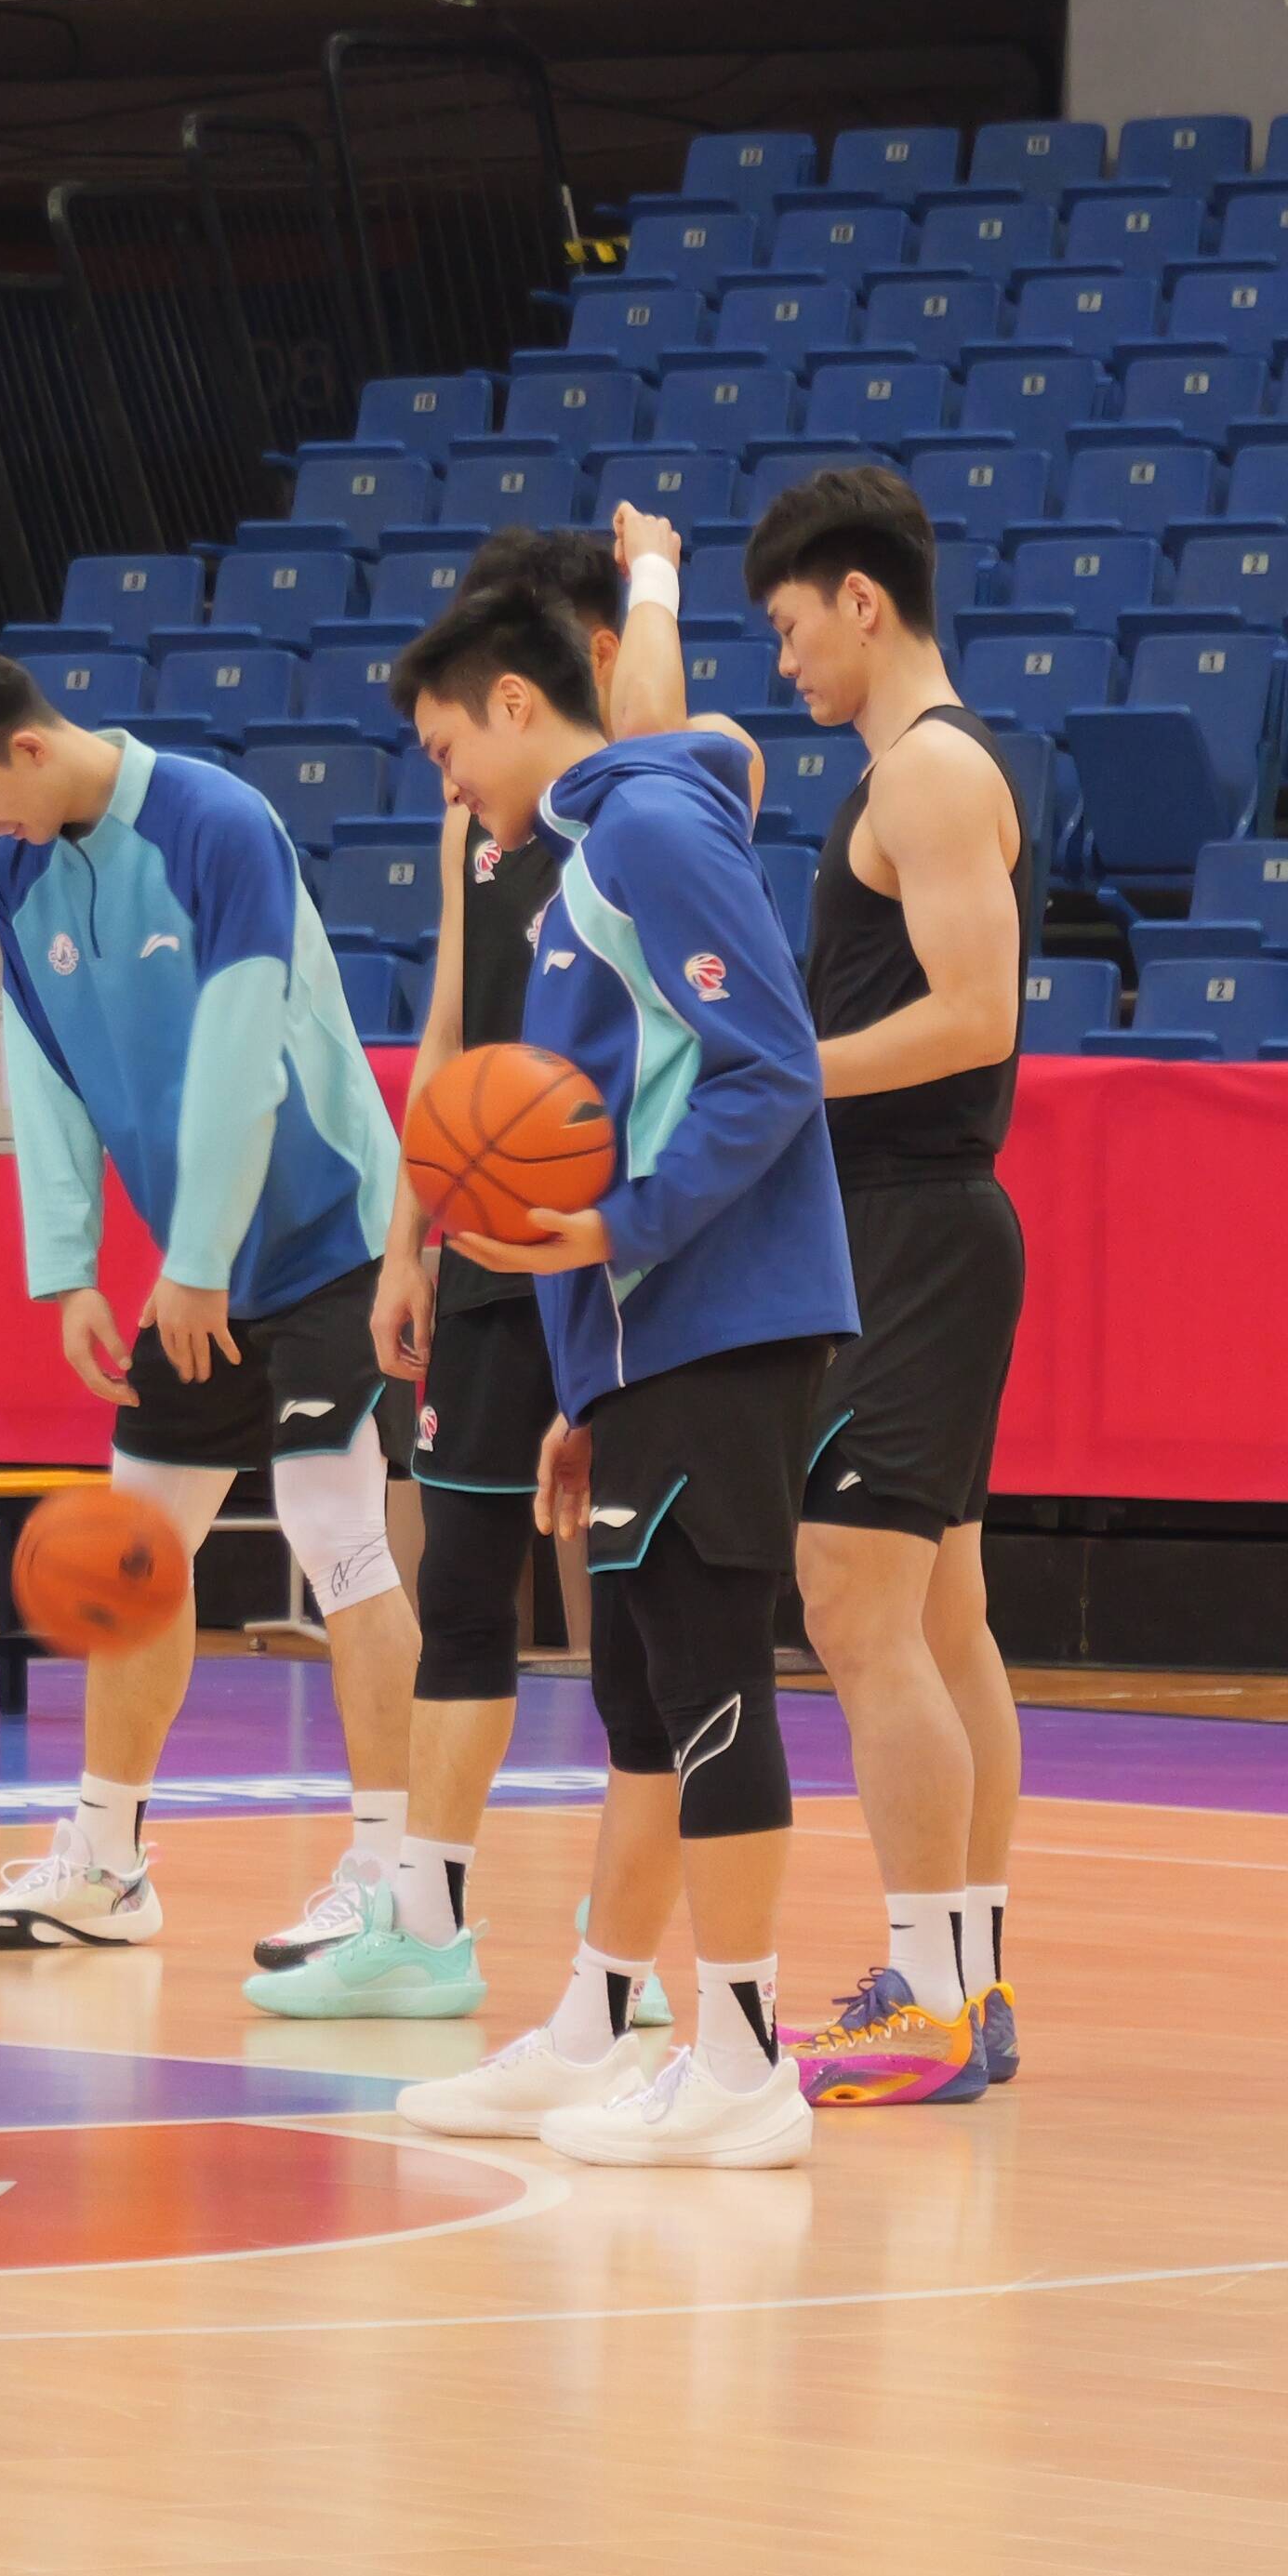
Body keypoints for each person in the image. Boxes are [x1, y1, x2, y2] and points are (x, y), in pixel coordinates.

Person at [385, 570, 856, 2170]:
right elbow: (620, 1116)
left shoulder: (648, 831)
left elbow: (769, 1069)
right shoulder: (595, 850)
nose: (450, 786)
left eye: (450, 748)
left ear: (518, 703)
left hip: (722, 1314)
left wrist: (621, 1230)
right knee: (642, 1694)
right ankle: (599, 2025)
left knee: (707, 1677)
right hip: (654, 1341)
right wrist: (588, 1392)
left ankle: (743, 2061)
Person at [0, 645, 418, 1956]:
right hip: (195, 1270)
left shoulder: (214, 822)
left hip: (330, 1242)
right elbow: (43, 1067)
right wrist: (69, 1264)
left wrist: (196, 1259)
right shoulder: (17, 877)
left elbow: (244, 1049)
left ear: (26, 748)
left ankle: (394, 1878)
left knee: (337, 1533)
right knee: (137, 1553)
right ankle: (107, 1865)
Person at [259, 522, 710, 2022]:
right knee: (459, 1584)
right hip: (487, 1250)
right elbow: (449, 1030)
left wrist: (654, 580)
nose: (449, 765)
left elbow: (652, 717)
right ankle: (426, 1924)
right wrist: (408, 1242)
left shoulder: (642, 797)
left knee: (627, 1616)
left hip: (611, 1248)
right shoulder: (477, 831)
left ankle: (623, 1948)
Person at [749, 468, 1034, 2107]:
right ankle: (967, 1980)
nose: (785, 661)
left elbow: (976, 1013)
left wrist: (783, 1067)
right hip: (914, 1223)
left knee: (854, 1602)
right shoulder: (920, 769)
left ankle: (924, 1995)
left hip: (910, 1225)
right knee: (938, 1617)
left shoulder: (927, 769)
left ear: (863, 599)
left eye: (793, 627)